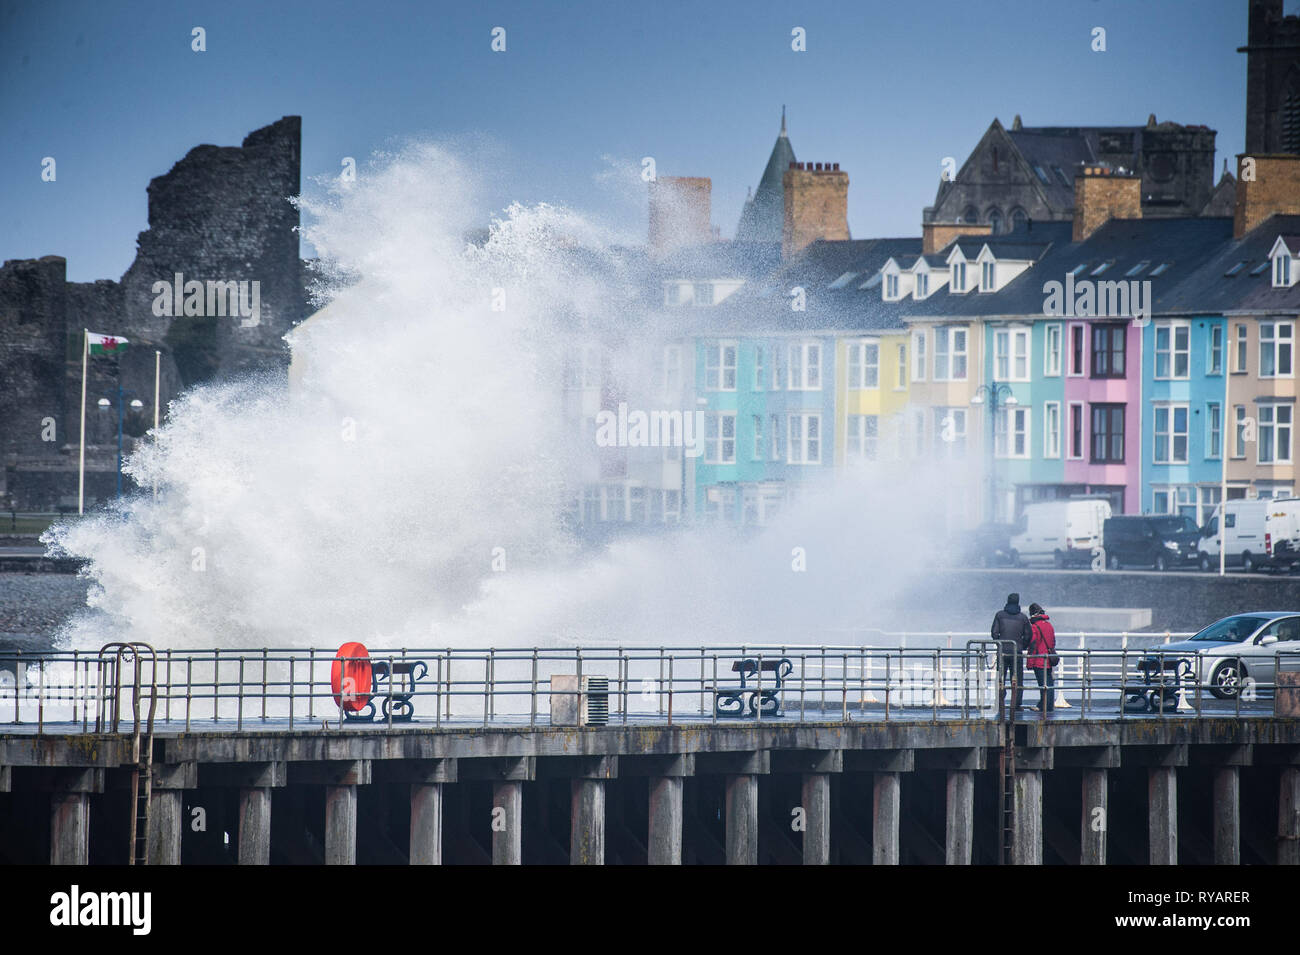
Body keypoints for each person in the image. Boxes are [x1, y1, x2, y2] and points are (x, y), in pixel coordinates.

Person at [990, 592, 1030, 709]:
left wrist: (999, 643)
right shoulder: (1023, 617)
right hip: (1016, 652)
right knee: (1017, 678)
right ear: (1018, 602)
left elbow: (994, 632)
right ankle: (1016, 704)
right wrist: (1022, 646)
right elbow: (1028, 635)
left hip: (1002, 651)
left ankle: (999, 701)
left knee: (1000, 677)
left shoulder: (1000, 615)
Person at [1027, 602, 1057, 713]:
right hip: (1048, 658)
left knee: (1042, 684)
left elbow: (1033, 645)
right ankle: (1047, 705)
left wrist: (1030, 663)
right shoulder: (1049, 625)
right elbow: (1053, 642)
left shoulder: (1035, 627)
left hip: (1039, 660)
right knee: (1049, 683)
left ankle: (1045, 707)